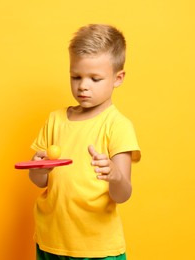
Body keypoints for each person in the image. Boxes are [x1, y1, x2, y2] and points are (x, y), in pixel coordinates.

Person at [29, 24, 141, 260]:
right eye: (76, 76)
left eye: (95, 78)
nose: (83, 86)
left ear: (117, 78)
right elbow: (39, 181)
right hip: (51, 241)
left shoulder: (118, 126)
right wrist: (39, 169)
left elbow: (123, 194)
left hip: (97, 248)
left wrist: (114, 175)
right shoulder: (55, 120)